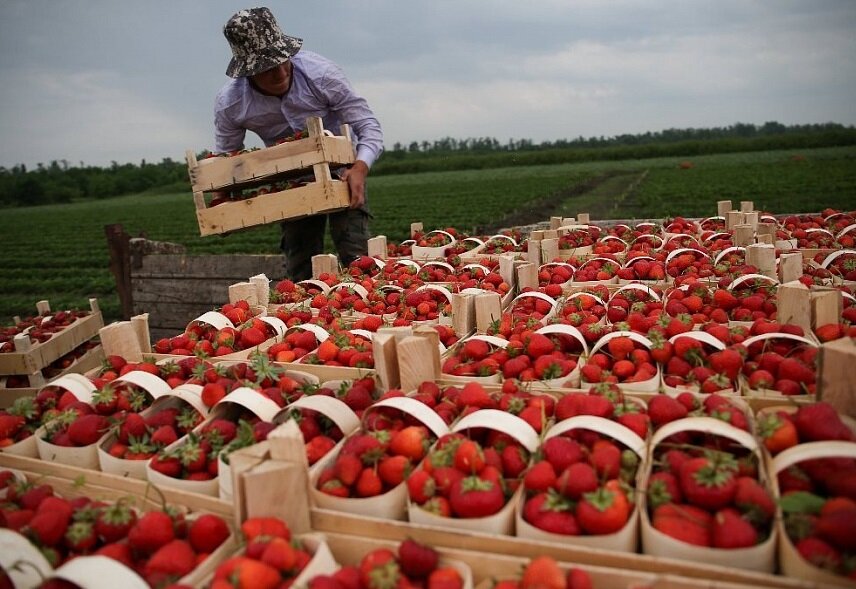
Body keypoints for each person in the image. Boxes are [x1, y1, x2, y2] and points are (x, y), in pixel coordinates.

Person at [215, 7, 383, 281]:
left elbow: (368, 126)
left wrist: (361, 168)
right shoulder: (232, 103)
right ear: (247, 71)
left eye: (283, 59)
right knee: (300, 265)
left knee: (357, 257)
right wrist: (224, 204)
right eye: (267, 68)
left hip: (342, 171)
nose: (280, 71)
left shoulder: (321, 75)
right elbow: (226, 160)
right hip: (291, 183)